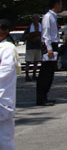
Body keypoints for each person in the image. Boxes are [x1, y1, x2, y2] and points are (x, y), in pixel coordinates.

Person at [37, 0, 62, 106]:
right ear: (56, 4)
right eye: (60, 3)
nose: (61, 6)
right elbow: (46, 34)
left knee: (50, 73)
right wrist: (49, 48)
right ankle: (41, 98)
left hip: (54, 44)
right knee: (45, 73)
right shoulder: (47, 17)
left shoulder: (54, 17)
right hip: (49, 45)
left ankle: (45, 96)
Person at [0, 19, 20, 150]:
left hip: (2, 98)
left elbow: (5, 73)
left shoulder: (8, 49)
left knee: (5, 139)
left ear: (5, 31)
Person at [23, 14, 42, 81]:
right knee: (28, 61)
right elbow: (24, 37)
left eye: (37, 19)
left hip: (38, 45)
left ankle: (34, 74)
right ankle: (27, 75)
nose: (35, 20)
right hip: (30, 46)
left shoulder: (41, 27)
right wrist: (30, 36)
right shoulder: (29, 27)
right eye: (34, 19)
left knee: (36, 61)